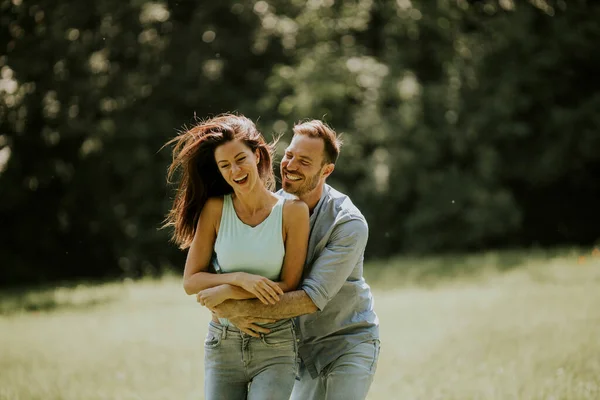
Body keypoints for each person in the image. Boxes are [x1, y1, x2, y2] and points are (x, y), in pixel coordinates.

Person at [203, 120, 380, 400]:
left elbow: (309, 299)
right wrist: (225, 293)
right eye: (289, 155)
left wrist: (236, 309)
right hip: (295, 346)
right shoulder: (272, 207)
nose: (290, 165)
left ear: (327, 170)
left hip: (345, 342)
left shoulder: (348, 224)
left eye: (305, 161)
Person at [164, 114, 310, 400]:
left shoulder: (293, 211)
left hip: (275, 344)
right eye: (225, 165)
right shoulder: (215, 209)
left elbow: (291, 284)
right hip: (223, 344)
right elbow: (191, 281)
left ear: (257, 155)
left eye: (240, 159)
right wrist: (239, 279)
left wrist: (229, 292)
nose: (235, 170)